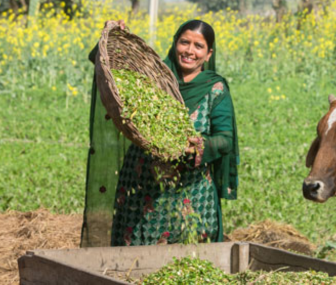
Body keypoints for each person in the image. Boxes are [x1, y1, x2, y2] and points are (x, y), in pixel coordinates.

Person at [80, 19, 239, 247]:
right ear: (175, 43)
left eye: (198, 46)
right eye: (184, 42)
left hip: (192, 193)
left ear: (208, 53)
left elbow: (226, 140)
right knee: (135, 256)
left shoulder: (215, 89)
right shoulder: (152, 79)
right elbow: (104, 64)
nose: (189, 51)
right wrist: (113, 37)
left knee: (189, 260)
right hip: (142, 187)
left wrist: (199, 145)